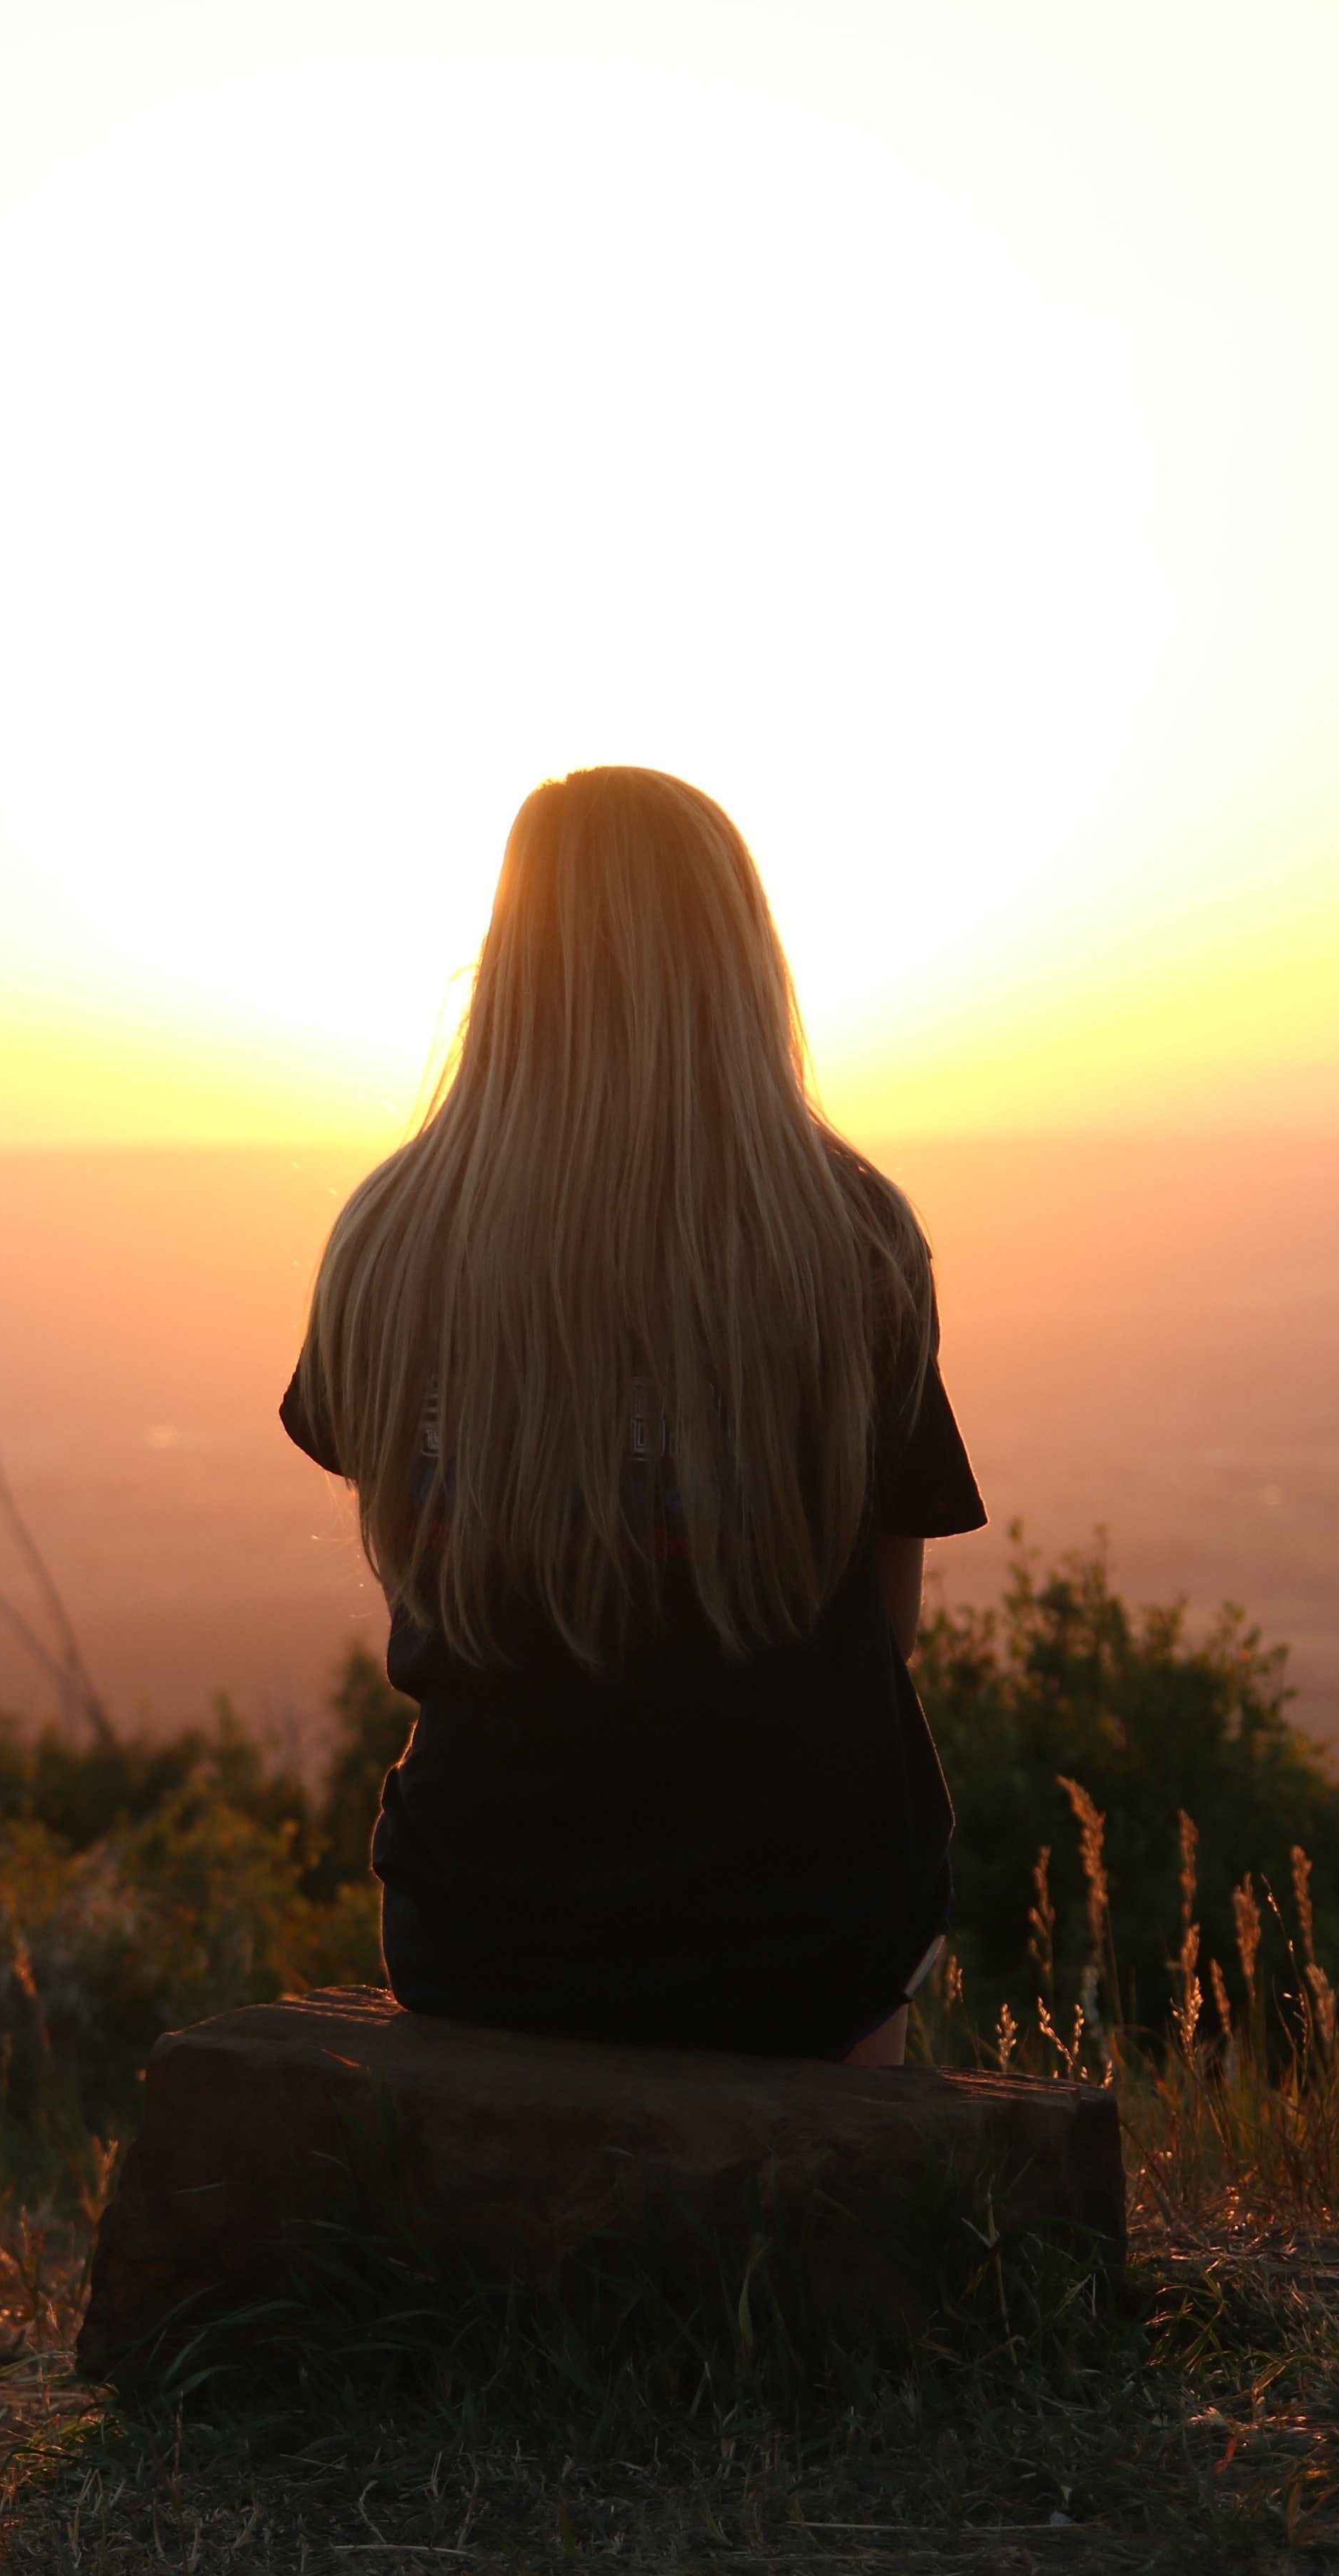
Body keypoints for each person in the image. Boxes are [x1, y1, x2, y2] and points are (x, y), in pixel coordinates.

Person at [279, 766, 984, 2069]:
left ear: (508, 961)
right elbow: (886, 1635)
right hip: (800, 1942)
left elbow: (415, 1563)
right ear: (740, 964)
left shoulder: (386, 1241)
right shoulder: (854, 1242)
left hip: (483, 1933)